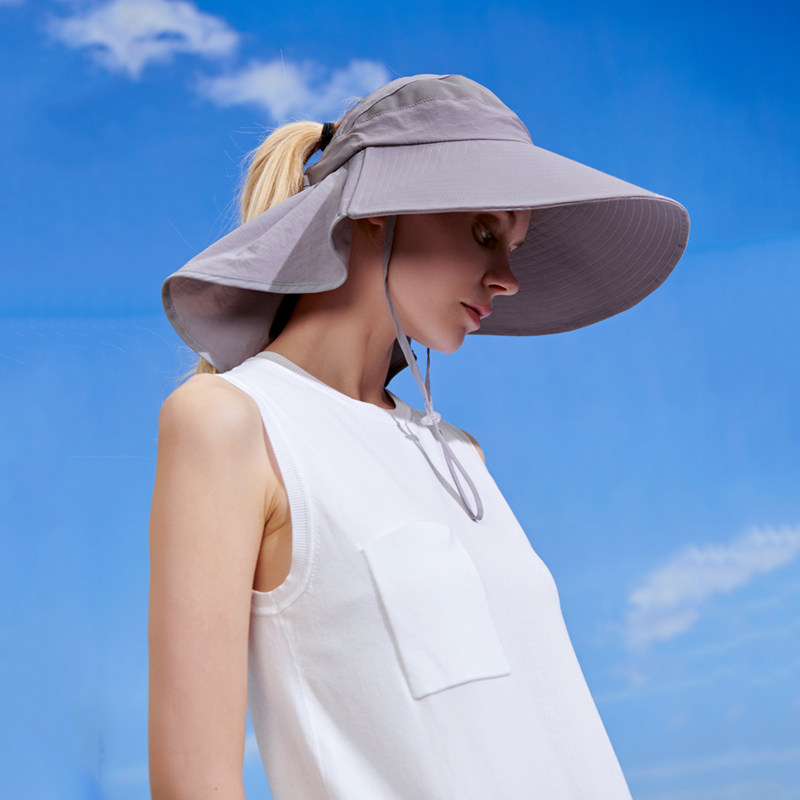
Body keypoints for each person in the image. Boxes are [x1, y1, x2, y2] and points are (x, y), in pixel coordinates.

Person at [149, 74, 689, 799]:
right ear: (379, 209)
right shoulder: (232, 423)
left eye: (514, 245)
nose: (507, 278)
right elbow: (192, 784)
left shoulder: (459, 457)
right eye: (485, 232)